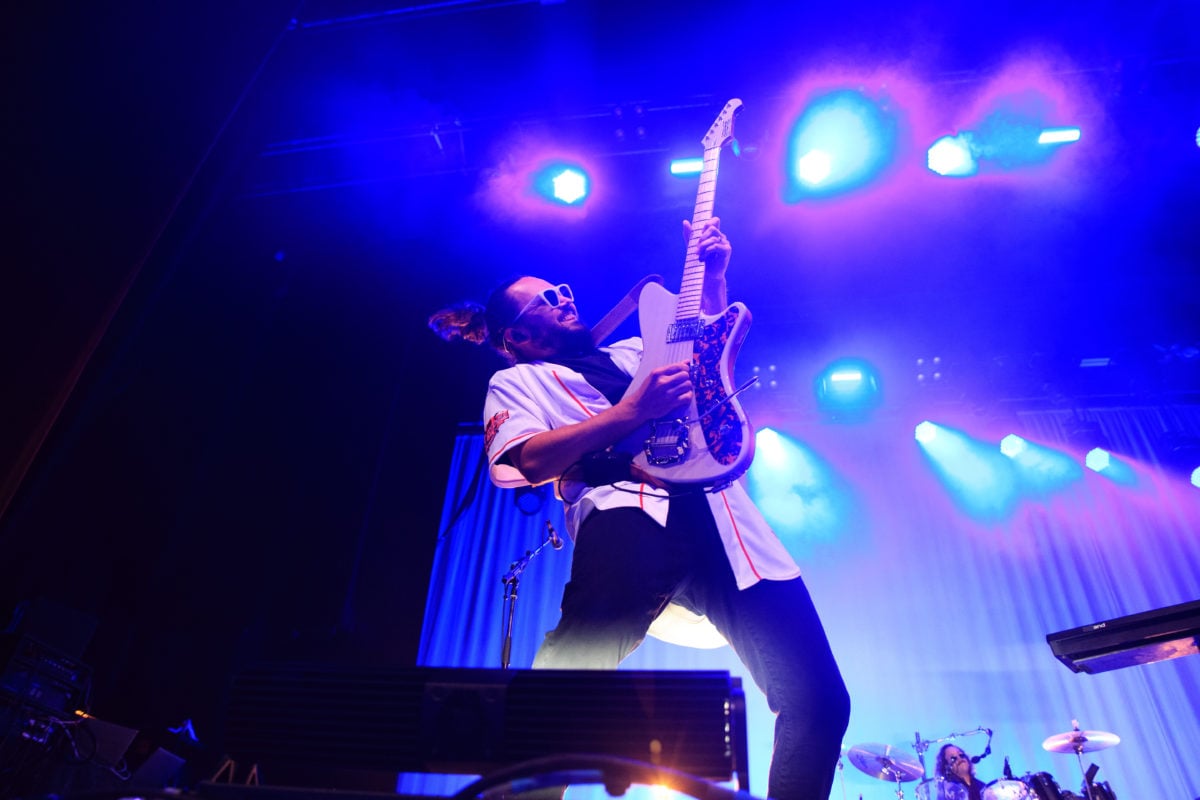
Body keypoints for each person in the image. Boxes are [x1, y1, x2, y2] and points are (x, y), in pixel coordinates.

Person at [429, 217, 850, 800]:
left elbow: (709, 359)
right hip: (628, 513)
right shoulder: (520, 381)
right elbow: (523, 461)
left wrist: (713, 277)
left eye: (563, 291)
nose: (564, 299)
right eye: (547, 301)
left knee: (819, 698)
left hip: (727, 522)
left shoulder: (636, 349)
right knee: (574, 670)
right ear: (517, 337)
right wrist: (629, 415)